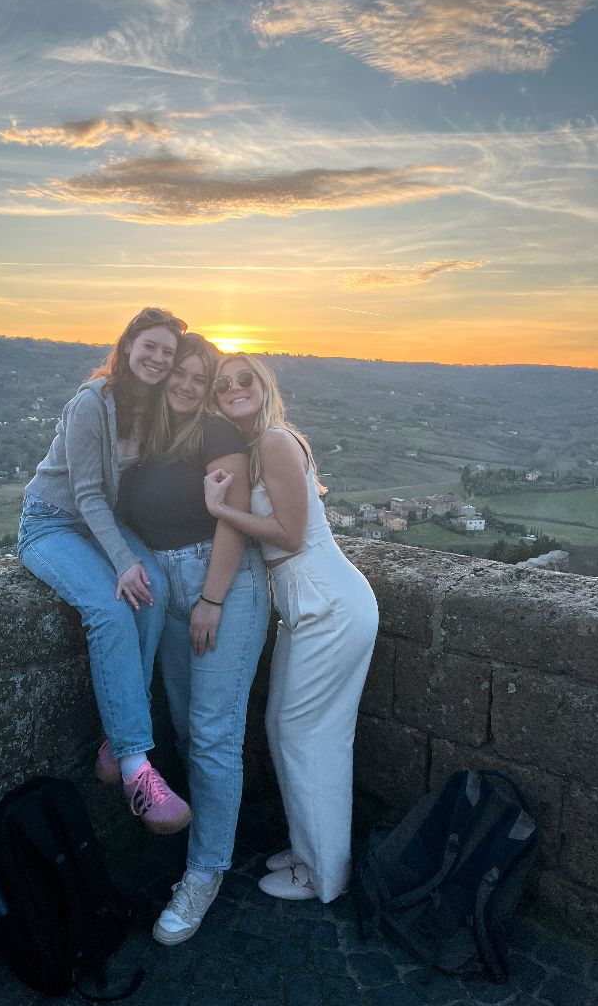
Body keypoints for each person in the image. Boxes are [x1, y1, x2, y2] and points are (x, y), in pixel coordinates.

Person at [204, 354, 378, 903]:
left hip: (327, 606)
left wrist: (220, 510)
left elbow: (290, 535)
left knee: (309, 739)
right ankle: (312, 848)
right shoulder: (259, 448)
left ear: (264, 385)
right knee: (287, 730)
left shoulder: (276, 442)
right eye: (223, 384)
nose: (234, 388)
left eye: (244, 379)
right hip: (311, 607)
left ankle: (324, 873)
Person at [115, 334, 270, 944]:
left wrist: (211, 597)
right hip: (165, 585)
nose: (183, 384)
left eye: (198, 378)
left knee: (211, 734)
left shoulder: (217, 435)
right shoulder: (148, 431)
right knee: (186, 726)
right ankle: (220, 835)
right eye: (178, 372)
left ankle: (205, 873)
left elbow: (230, 521)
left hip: (220, 585)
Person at [17, 306, 191, 834]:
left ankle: (115, 743)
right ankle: (137, 765)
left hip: (99, 524)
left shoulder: (151, 406)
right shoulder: (93, 403)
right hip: (52, 523)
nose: (159, 359)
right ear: (128, 344)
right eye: (151, 346)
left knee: (153, 590)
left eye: (169, 352)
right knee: (110, 610)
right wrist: (123, 562)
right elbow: (88, 494)